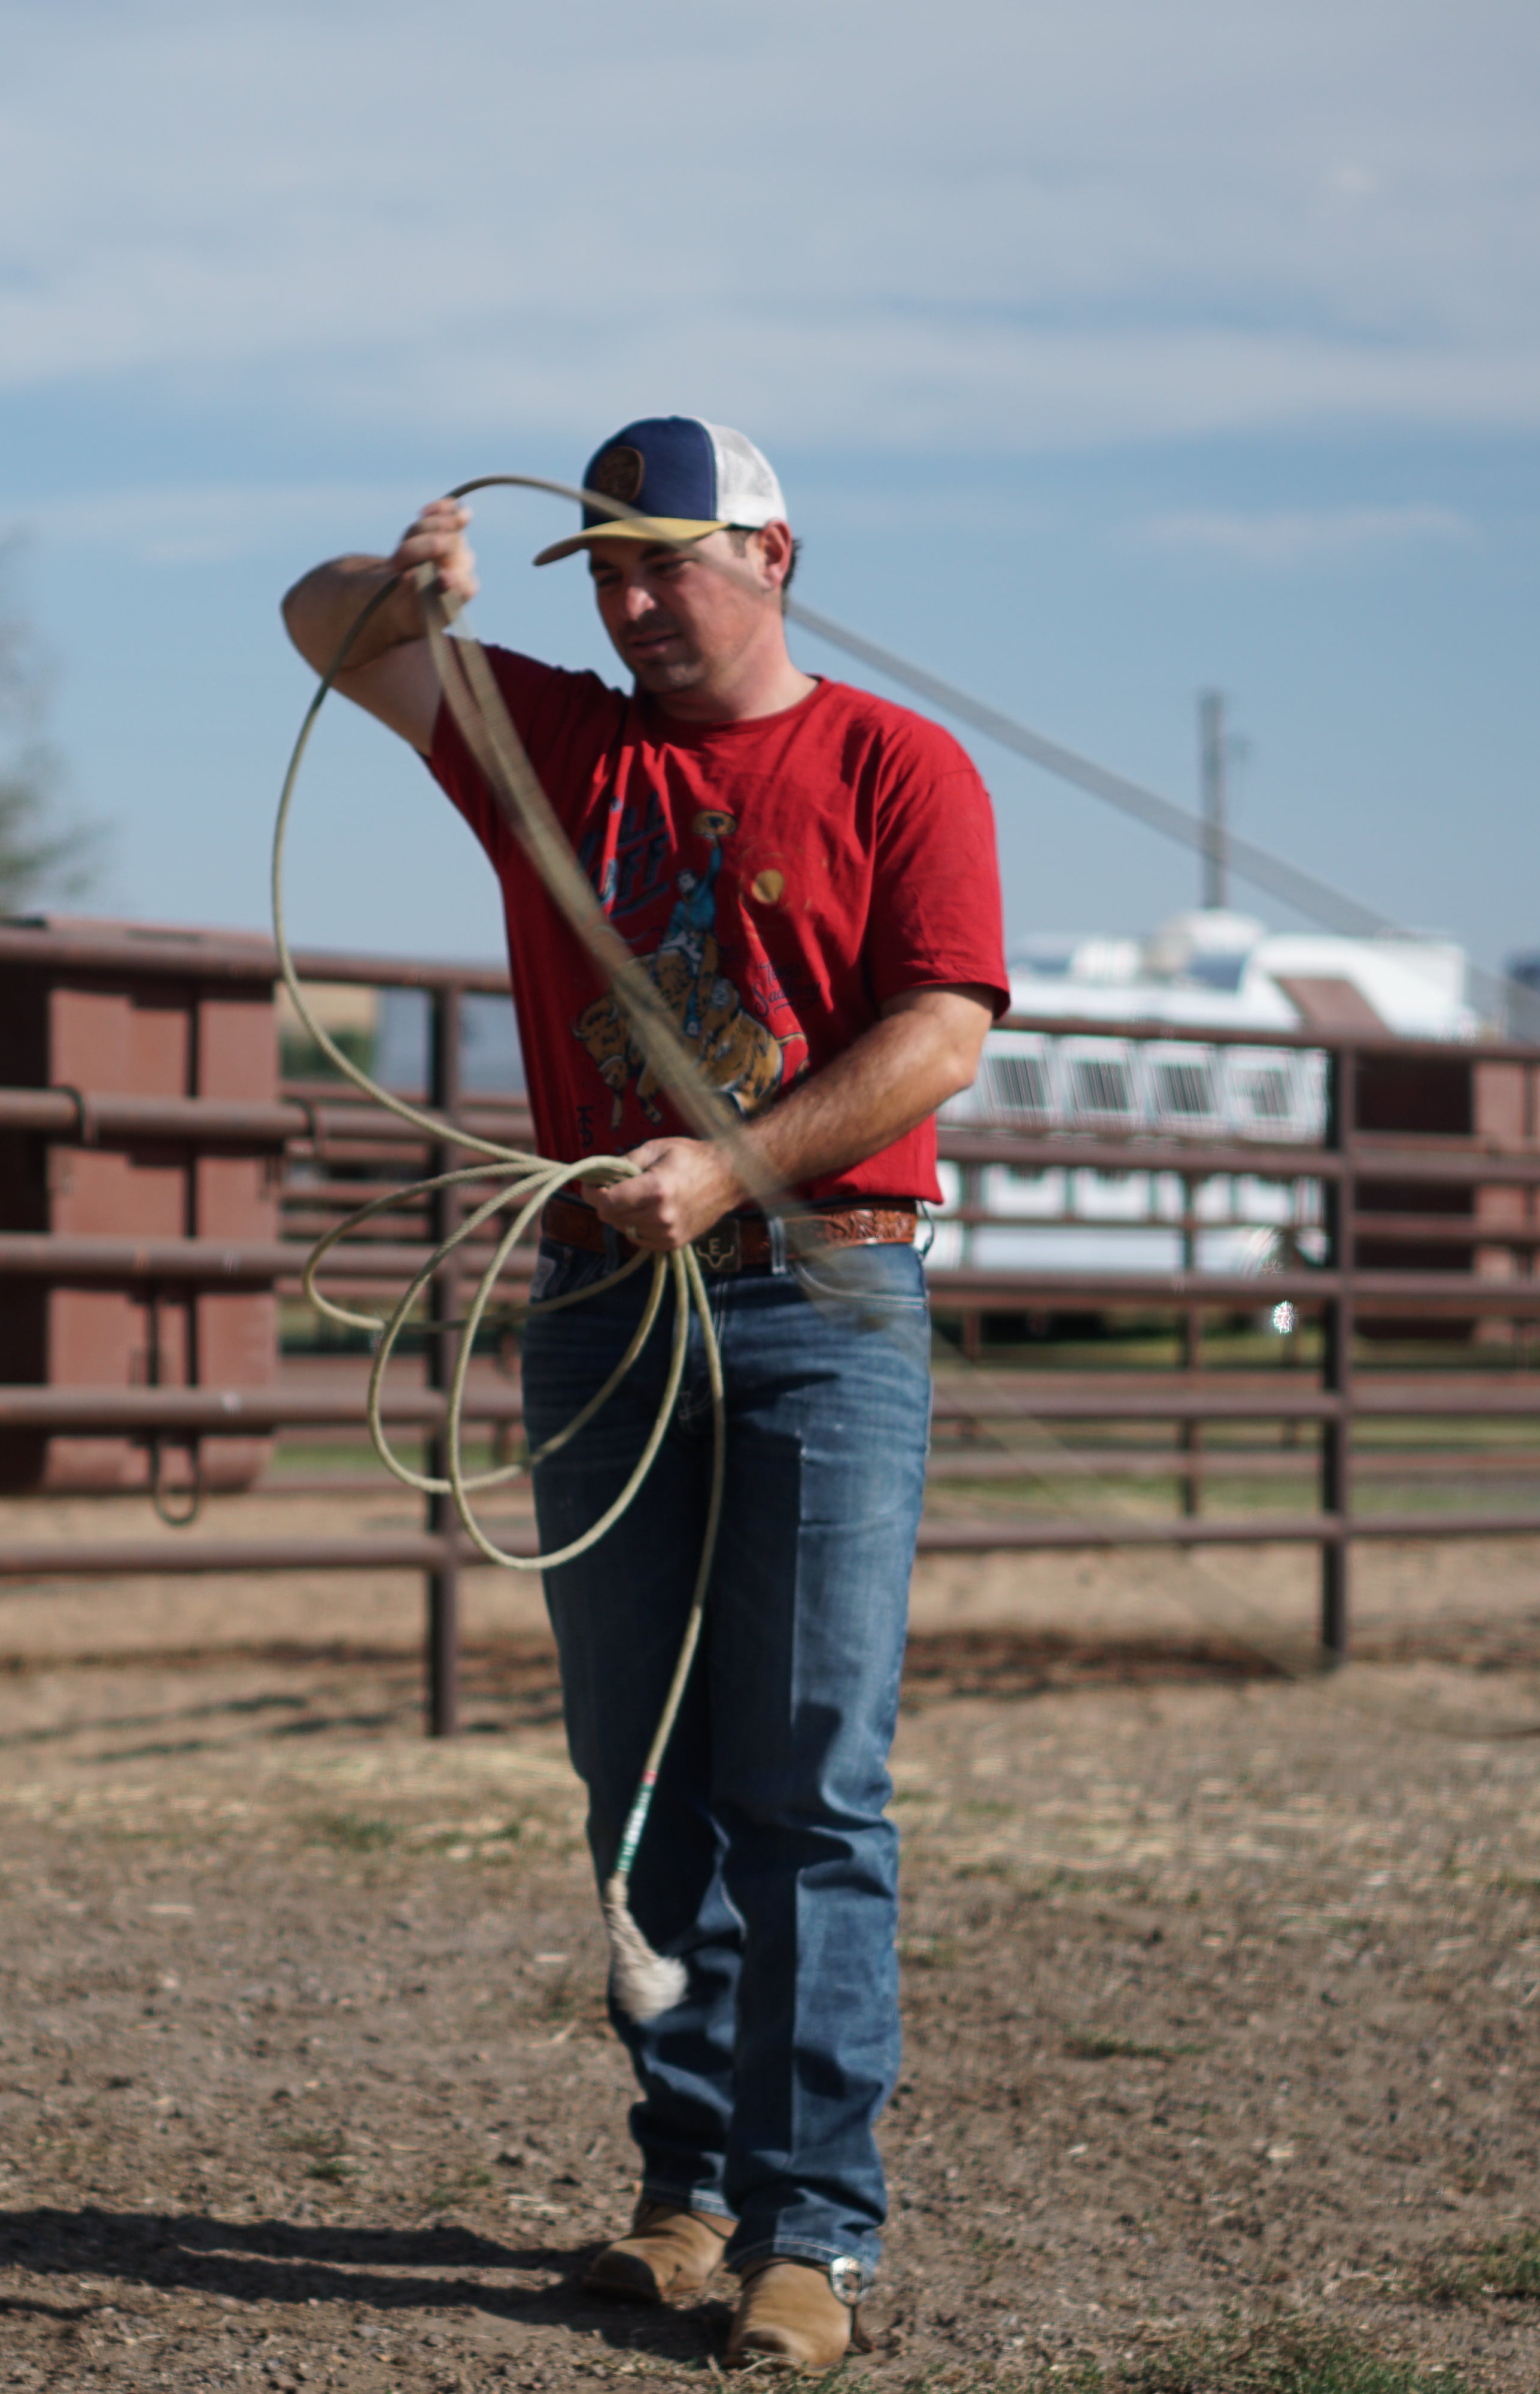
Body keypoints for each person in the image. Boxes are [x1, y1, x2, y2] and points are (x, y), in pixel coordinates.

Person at [277, 418, 1006, 2371]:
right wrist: (403, 577)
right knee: (641, 1772)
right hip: (609, 1304)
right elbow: (313, 622)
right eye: (602, 572)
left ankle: (813, 2228)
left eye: (664, 564)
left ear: (772, 552)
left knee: (810, 1777)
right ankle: (689, 2191)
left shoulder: (893, 764)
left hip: (823, 1297)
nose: (629, 602)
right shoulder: (554, 747)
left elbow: (938, 1035)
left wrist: (730, 1166)